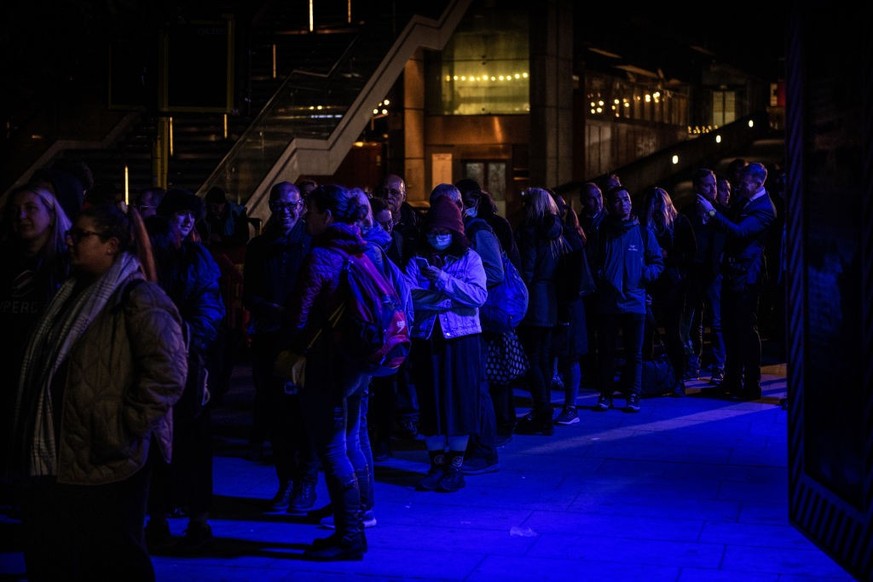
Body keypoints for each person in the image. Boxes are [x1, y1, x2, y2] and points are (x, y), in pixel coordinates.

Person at [9, 203, 187, 581]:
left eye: (83, 235)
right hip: (66, 455)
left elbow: (168, 373)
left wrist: (122, 426)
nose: (71, 241)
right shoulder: (72, 293)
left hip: (109, 458)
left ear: (111, 245)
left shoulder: (137, 297)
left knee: (114, 556)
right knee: (65, 553)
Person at [288, 184, 374, 561]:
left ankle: (350, 536)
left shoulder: (322, 256)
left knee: (333, 450)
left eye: (310, 210)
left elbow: (299, 316)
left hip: (328, 366)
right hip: (358, 363)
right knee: (351, 440)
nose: (306, 215)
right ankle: (357, 516)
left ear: (327, 215)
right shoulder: (361, 247)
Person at [145, 189, 226, 553]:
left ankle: (197, 517)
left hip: (189, 361)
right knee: (157, 443)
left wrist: (185, 338)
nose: (187, 220)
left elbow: (210, 309)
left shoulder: (199, 258)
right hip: (155, 359)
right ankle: (158, 514)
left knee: (193, 441)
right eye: (180, 214)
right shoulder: (153, 255)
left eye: (191, 215)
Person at [242, 181, 318, 513]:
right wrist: (271, 309)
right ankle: (286, 481)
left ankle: (305, 482)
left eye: (291, 205)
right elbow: (248, 293)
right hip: (270, 339)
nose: (285, 212)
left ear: (301, 206)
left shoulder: (311, 244)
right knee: (277, 416)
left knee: (304, 416)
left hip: (304, 341)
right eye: (279, 206)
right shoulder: (259, 248)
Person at [405, 190, 488, 492]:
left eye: (444, 231)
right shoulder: (416, 260)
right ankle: (436, 464)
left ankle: (455, 466)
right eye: (434, 231)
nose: (438, 236)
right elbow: (409, 298)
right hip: (428, 339)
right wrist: (450, 297)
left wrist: (442, 281)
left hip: (462, 340)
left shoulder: (470, 259)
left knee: (459, 402)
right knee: (432, 402)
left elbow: (478, 296)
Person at [0, 185, 71, 496]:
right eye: (15, 210)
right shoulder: (5, 260)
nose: (22, 216)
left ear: (51, 215)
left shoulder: (67, 265)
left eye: (31, 208)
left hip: (46, 375)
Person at [696, 162, 777, 401]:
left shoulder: (765, 209)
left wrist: (711, 212)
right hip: (734, 273)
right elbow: (730, 217)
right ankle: (732, 381)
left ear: (758, 183)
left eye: (745, 183)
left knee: (746, 331)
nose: (740, 186)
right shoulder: (746, 199)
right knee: (730, 328)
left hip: (748, 277)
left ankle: (751, 385)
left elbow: (740, 231)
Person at [592, 185, 664, 412]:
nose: (624, 204)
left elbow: (657, 262)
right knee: (607, 352)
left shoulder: (643, 232)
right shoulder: (603, 231)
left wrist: (645, 274)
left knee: (635, 353)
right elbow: (593, 261)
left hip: (635, 301)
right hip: (609, 302)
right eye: (618, 200)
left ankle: (633, 394)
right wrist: (600, 275)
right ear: (610, 205)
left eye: (626, 199)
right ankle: (605, 394)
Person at [513, 187, 571, 435]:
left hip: (535, 300)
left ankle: (542, 413)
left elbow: (528, 268)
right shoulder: (556, 231)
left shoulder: (532, 232)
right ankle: (544, 412)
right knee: (545, 360)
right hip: (552, 300)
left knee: (534, 360)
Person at [639, 186, 696, 396]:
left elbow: (691, 254)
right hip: (651, 283)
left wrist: (668, 256)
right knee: (646, 332)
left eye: (657, 207)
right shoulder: (645, 225)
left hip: (673, 286)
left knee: (673, 333)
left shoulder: (679, 223)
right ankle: (646, 380)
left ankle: (678, 378)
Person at [681, 169, 728, 384]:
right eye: (708, 185)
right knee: (693, 322)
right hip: (693, 273)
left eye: (714, 184)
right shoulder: (688, 212)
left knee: (717, 321)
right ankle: (693, 363)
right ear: (697, 187)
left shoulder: (721, 212)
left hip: (714, 273)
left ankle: (720, 366)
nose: (713, 189)